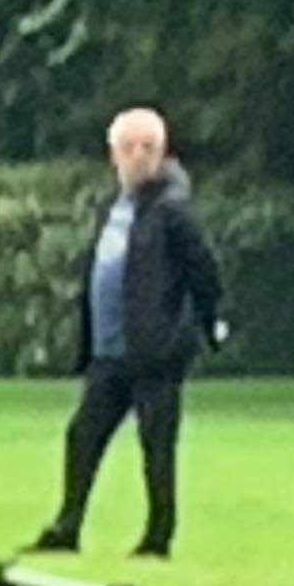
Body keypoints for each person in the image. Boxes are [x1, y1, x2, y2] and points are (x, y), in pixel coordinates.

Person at [31, 106, 225, 560]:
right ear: (113, 154)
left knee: (156, 447)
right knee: (82, 437)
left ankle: (159, 536)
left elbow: (205, 271)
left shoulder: (173, 211)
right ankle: (68, 524)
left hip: (154, 353)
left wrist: (204, 327)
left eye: (149, 148)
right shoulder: (115, 209)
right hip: (109, 353)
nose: (139, 156)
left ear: (162, 153)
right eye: (130, 147)